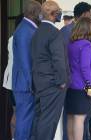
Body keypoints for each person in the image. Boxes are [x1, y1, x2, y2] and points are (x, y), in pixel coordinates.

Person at [30, 1, 69, 140]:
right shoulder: (53, 32)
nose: (60, 14)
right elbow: (58, 59)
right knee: (49, 120)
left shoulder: (37, 31)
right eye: (59, 11)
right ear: (53, 14)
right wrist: (62, 81)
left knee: (40, 117)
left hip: (39, 81)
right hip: (53, 83)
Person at [60, 2, 91, 140]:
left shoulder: (72, 44)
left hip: (70, 85)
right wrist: (90, 87)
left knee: (70, 118)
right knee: (80, 119)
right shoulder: (86, 44)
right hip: (81, 87)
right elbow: (85, 67)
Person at [12, 1, 41, 140]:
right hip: (25, 85)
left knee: (28, 122)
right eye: (40, 12)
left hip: (26, 83)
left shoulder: (28, 28)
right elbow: (25, 62)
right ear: (34, 13)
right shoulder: (24, 30)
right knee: (24, 122)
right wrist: (32, 84)